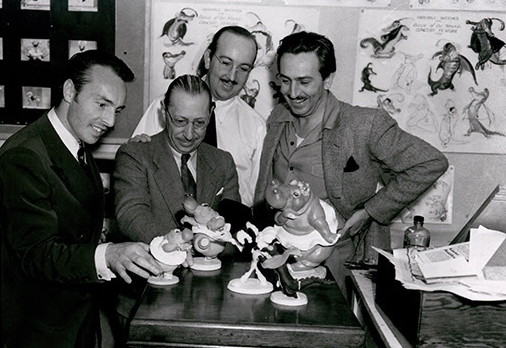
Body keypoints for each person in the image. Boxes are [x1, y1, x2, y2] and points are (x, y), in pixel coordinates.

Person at [0, 50, 162, 348]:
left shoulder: (72, 145)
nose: (109, 121)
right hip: (42, 338)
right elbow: (36, 253)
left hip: (80, 330)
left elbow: (74, 232)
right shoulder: (24, 156)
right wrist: (108, 255)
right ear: (69, 91)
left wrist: (118, 246)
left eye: (116, 109)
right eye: (101, 104)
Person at [253, 31, 448, 294]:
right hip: (278, 262)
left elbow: (430, 163)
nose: (293, 92)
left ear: (328, 79)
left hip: (337, 271)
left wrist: (370, 211)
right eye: (285, 81)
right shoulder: (277, 118)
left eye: (305, 81)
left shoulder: (365, 125)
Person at [132, 25, 265, 207]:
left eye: (243, 68)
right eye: (226, 63)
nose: (232, 76)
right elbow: (136, 173)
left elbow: (254, 195)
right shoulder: (164, 107)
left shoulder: (256, 126)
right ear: (209, 59)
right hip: (166, 227)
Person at [114, 74, 241, 244]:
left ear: (210, 114)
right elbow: (132, 215)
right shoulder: (135, 155)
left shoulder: (223, 162)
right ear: (164, 112)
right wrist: (173, 246)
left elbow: (234, 229)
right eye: (180, 121)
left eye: (199, 123)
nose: (189, 135)